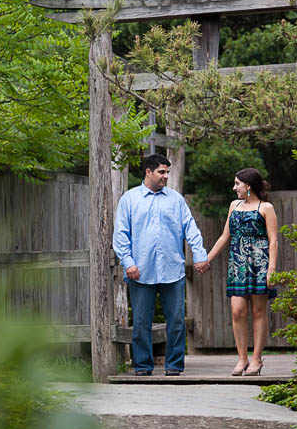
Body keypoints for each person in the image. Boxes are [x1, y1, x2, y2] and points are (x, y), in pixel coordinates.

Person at [113, 153, 210, 376]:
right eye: (161, 172)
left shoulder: (176, 200)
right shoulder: (129, 199)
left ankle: (174, 366)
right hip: (140, 270)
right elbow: (120, 235)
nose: (166, 176)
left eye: (167, 172)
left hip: (172, 270)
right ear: (148, 172)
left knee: (176, 321)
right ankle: (143, 367)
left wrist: (200, 255)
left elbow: (191, 230)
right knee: (140, 323)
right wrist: (128, 262)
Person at [206, 168, 278, 376]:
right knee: (237, 311)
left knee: (258, 311)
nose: (234, 187)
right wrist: (206, 259)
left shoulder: (266, 208)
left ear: (248, 185)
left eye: (237, 183)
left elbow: (273, 240)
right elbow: (224, 236)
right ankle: (242, 358)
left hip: (260, 264)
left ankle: (256, 359)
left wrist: (271, 269)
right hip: (237, 264)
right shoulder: (234, 206)